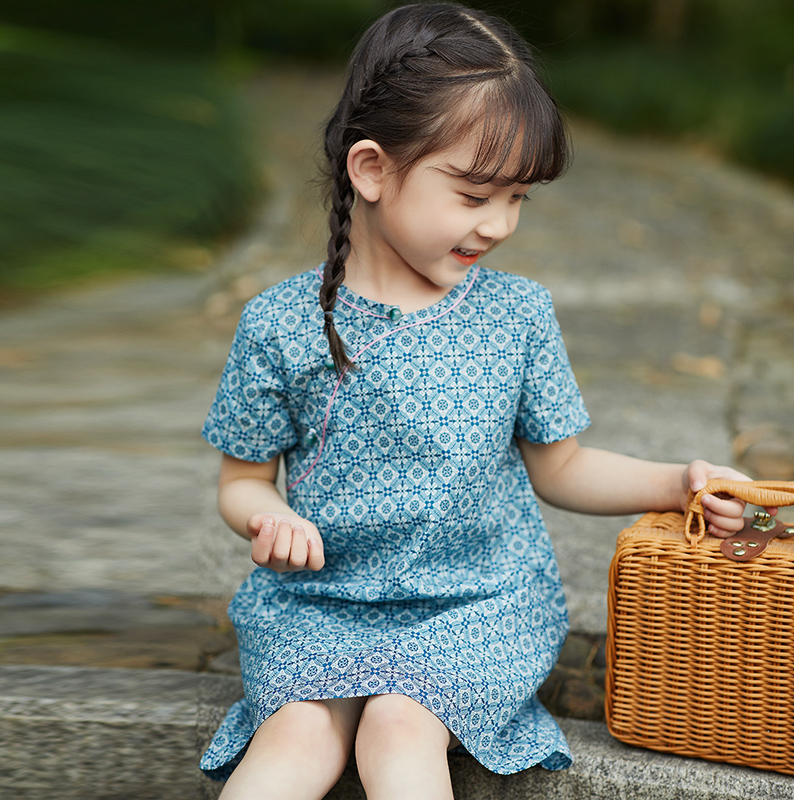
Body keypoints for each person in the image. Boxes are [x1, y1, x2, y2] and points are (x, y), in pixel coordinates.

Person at [199, 4, 753, 798]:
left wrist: (679, 483)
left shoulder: (517, 315)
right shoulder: (281, 324)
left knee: (398, 723)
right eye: (473, 194)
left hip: (473, 606)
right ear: (372, 170)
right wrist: (266, 517)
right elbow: (240, 479)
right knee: (295, 730)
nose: (499, 224)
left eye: (519, 198)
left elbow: (561, 466)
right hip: (318, 602)